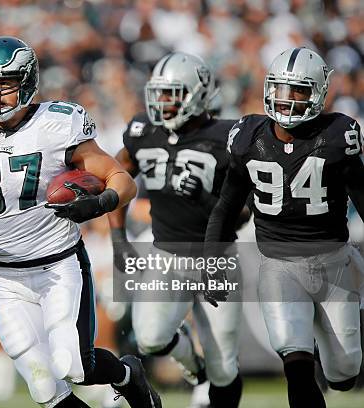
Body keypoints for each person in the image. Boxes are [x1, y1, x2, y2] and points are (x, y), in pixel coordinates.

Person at [0, 36, 161, 408]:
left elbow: (123, 180)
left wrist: (99, 203)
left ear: (26, 81)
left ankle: (127, 375)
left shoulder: (58, 124)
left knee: (74, 366)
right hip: (5, 276)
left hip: (60, 265)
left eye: (4, 83)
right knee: (43, 387)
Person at [205, 47, 364, 407]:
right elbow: (227, 207)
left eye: (299, 91)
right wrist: (211, 263)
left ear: (320, 93)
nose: (287, 99)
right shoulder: (248, 136)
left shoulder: (339, 134)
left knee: (344, 375)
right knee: (294, 360)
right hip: (278, 265)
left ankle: (331, 360)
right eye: (281, 88)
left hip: (335, 262)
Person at [108, 52, 244, 408]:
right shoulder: (144, 132)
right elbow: (116, 181)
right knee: (150, 338)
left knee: (224, 366)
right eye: (159, 93)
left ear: (198, 94)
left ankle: (210, 378)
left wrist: (203, 198)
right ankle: (194, 369)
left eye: (173, 94)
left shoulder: (228, 137)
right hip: (165, 253)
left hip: (219, 258)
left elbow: (243, 212)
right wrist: (118, 240)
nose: (163, 103)